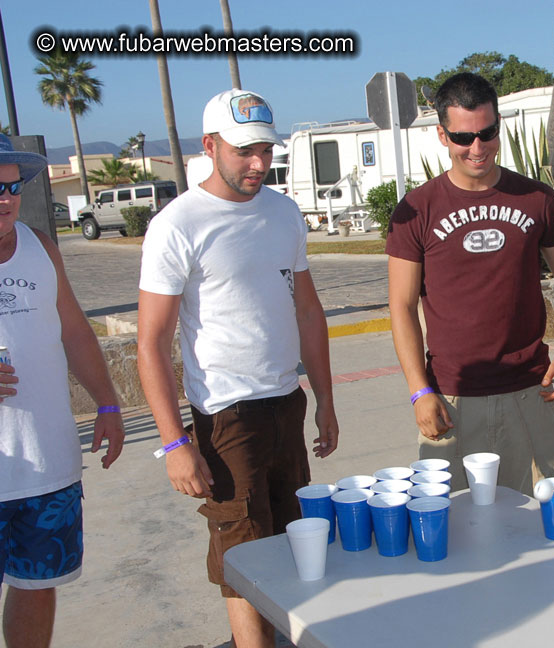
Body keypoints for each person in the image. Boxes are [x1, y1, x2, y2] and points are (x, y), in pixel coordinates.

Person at [137, 89, 339, 648]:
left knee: (295, 540)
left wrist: (324, 399)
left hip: (286, 402)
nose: (258, 163)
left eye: (265, 150)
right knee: (244, 556)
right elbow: (151, 343)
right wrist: (175, 444)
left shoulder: (284, 212)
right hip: (226, 416)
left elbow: (307, 310)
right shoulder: (177, 225)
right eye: (244, 150)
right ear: (209, 146)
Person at [385, 72, 554, 495]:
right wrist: (419, 391)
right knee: (453, 523)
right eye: (463, 137)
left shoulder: (537, 199)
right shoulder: (417, 209)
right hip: (451, 400)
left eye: (487, 133)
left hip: (530, 393)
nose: (477, 147)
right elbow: (401, 306)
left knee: (543, 519)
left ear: (498, 126)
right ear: (442, 135)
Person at [0, 134, 125, 648]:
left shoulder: (40, 247)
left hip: (46, 467)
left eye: (13, 187)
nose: (6, 198)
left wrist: (108, 403)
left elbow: (74, 331)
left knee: (36, 587)